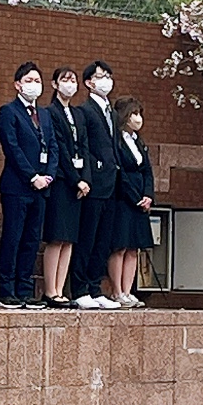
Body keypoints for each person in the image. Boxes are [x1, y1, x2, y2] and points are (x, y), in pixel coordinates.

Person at [0, 61, 55, 305]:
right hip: (17, 186)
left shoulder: (44, 114)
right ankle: (6, 288)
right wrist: (32, 176)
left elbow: (53, 147)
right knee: (13, 236)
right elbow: (12, 148)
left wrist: (48, 176)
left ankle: (25, 288)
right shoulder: (9, 111)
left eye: (37, 81)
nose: (34, 85)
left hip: (42, 187)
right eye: (29, 81)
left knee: (32, 239)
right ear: (17, 85)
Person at [71, 60, 121, 307]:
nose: (106, 80)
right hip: (94, 184)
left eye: (108, 76)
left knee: (103, 240)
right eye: (101, 76)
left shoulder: (111, 112)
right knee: (87, 238)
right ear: (89, 82)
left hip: (111, 183)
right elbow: (85, 146)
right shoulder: (85, 111)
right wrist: (87, 176)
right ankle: (80, 289)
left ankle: (95, 287)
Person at [41, 65, 88, 306]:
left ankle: (61, 288)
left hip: (78, 184)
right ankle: (50, 290)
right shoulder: (50, 112)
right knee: (57, 237)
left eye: (73, 79)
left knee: (69, 239)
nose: (70, 83)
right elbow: (59, 148)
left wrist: (85, 179)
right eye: (65, 79)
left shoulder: (78, 114)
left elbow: (84, 148)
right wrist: (74, 178)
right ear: (55, 84)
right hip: (62, 181)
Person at [104, 97, 157, 307]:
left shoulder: (139, 142)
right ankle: (116, 291)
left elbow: (147, 171)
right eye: (134, 114)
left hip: (140, 201)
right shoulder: (117, 141)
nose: (138, 118)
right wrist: (135, 197)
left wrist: (148, 195)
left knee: (134, 247)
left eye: (139, 114)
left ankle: (128, 290)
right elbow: (121, 173)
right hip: (123, 200)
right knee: (120, 246)